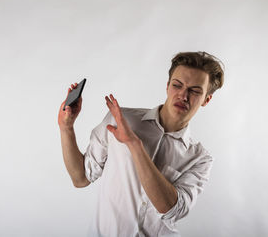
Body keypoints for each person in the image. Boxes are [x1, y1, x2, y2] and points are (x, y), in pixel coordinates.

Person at [57, 52, 224, 237]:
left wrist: (134, 145)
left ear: (206, 100)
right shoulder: (120, 120)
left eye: (194, 91)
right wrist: (66, 127)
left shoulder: (200, 159)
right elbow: (81, 178)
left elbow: (170, 209)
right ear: (167, 86)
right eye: (177, 85)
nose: (183, 95)